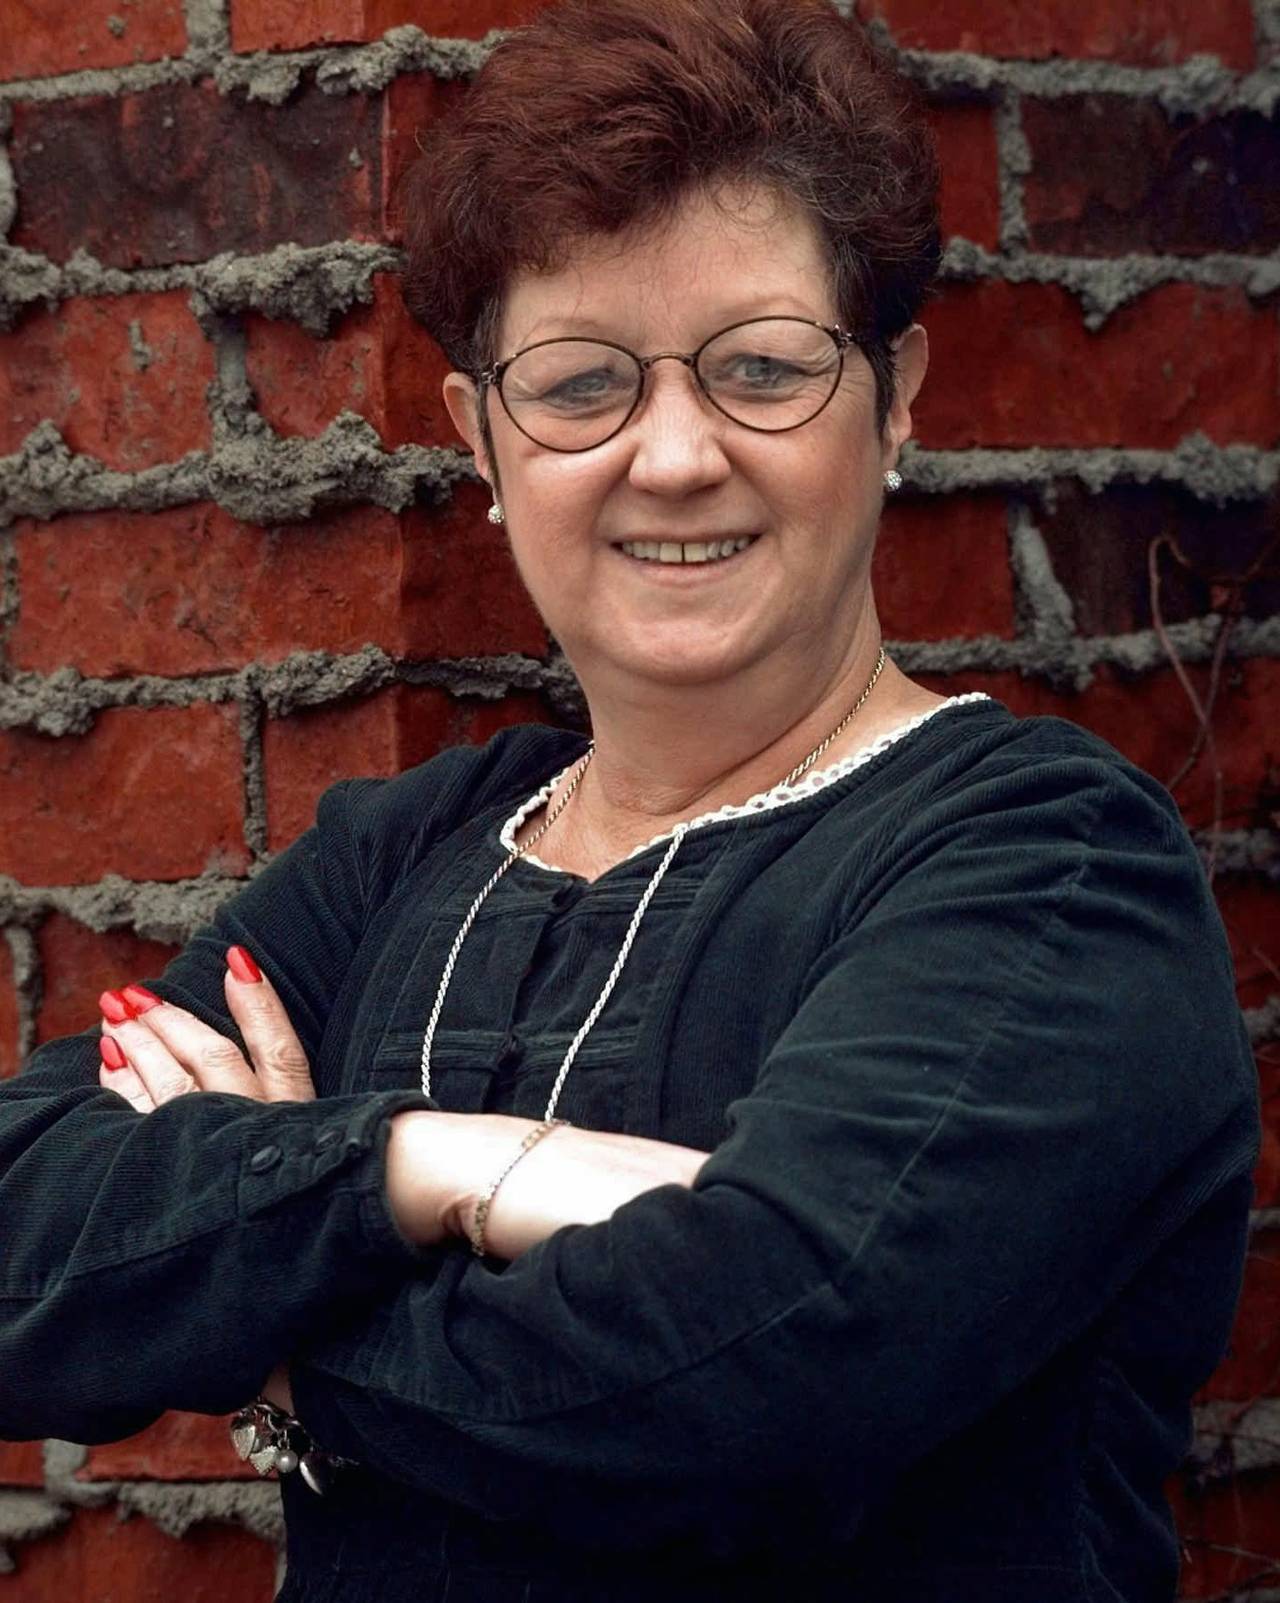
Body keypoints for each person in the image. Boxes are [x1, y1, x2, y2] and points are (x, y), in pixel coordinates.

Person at [0, 1, 1260, 1598]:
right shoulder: (401, 857)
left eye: (761, 369)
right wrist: (427, 1164)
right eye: (582, 383)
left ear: (896, 397)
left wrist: (268, 1323)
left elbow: (770, 1362)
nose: (672, 456)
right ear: (479, 439)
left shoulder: (1050, 868)